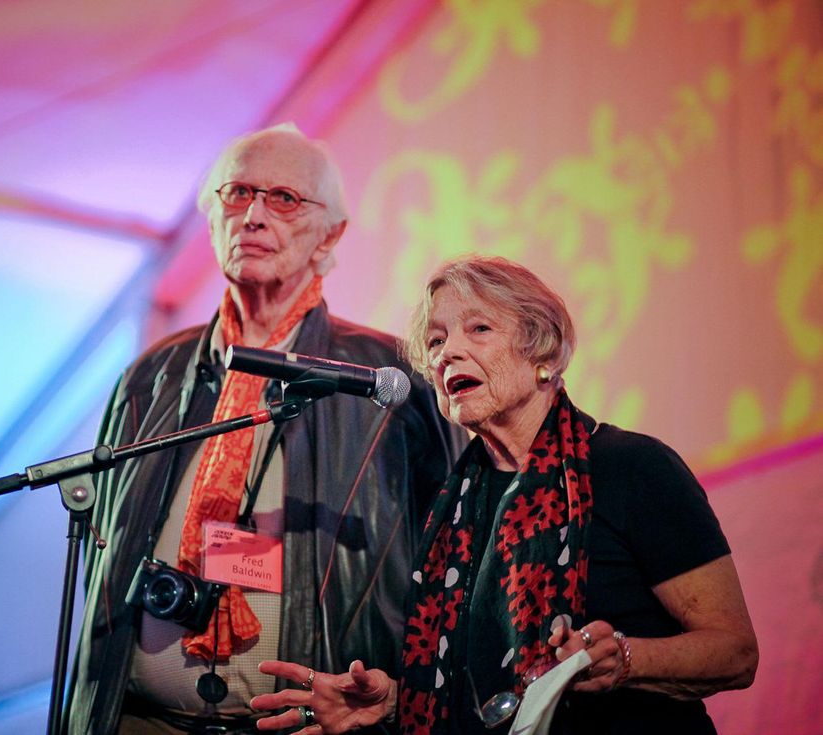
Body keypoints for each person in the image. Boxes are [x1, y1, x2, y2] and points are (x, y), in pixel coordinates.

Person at [62, 124, 463, 735]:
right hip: (139, 719)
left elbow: (453, 563)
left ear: (332, 233)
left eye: (283, 199)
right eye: (237, 193)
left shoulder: (387, 380)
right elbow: (103, 552)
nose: (252, 215)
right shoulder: (153, 375)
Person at [250, 255, 758, 735]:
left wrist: (627, 659)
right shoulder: (449, 510)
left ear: (542, 349)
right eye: (435, 341)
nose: (446, 352)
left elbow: (735, 653)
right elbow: (489, 693)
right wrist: (396, 702)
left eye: (479, 329)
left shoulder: (632, 467)